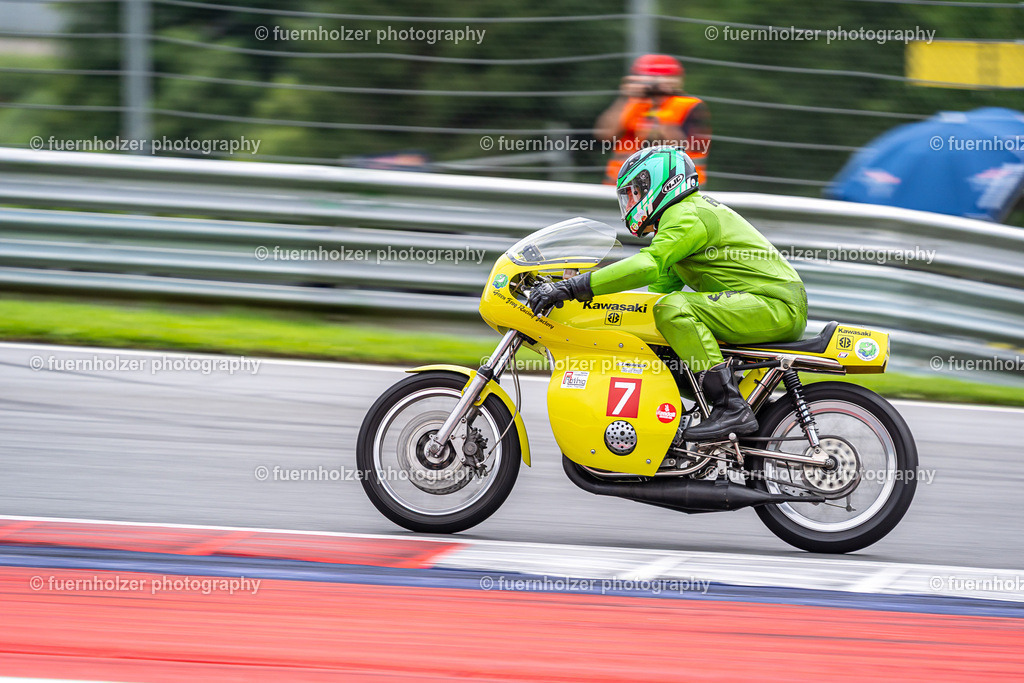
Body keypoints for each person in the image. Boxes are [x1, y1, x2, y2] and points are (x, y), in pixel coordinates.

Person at [528, 147, 807, 441]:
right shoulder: (678, 222)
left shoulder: (686, 214)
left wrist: (572, 287)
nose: (630, 203)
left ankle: (730, 407)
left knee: (673, 308)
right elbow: (654, 295)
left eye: (635, 193)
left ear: (659, 184)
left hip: (776, 306)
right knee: (659, 334)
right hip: (766, 305)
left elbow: (648, 266)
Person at [594, 54, 710, 186]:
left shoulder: (689, 105)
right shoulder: (633, 103)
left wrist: (658, 113)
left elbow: (687, 147)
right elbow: (605, 134)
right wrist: (624, 97)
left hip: (675, 187)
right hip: (623, 186)